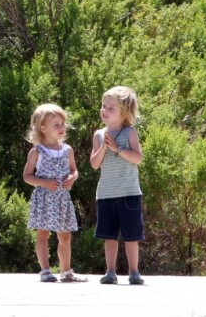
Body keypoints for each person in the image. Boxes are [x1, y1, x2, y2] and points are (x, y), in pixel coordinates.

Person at [23, 103, 87, 283]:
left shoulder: (67, 150)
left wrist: (72, 178)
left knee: (65, 235)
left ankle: (66, 271)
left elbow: (74, 170)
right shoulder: (37, 151)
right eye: (56, 124)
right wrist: (43, 182)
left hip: (61, 198)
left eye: (62, 123)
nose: (61, 128)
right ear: (43, 128)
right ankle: (45, 270)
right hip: (44, 198)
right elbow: (27, 176)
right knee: (42, 233)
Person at [89, 86, 144, 285]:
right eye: (104, 106)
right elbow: (94, 164)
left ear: (124, 112)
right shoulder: (98, 135)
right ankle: (110, 272)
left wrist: (117, 148)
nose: (105, 110)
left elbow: (137, 158)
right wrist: (105, 145)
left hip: (129, 193)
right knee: (109, 237)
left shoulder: (129, 132)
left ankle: (134, 272)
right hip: (105, 194)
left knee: (131, 236)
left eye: (111, 107)